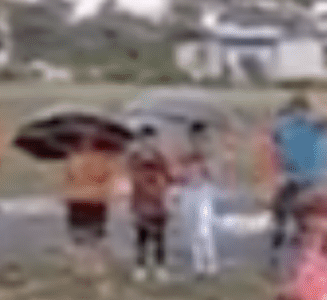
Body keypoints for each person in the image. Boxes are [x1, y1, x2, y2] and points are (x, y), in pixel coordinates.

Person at [269, 94, 327, 270]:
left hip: (310, 180)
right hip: (291, 178)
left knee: (306, 219)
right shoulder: (285, 127)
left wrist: (314, 108)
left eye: (303, 111)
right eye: (296, 111)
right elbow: (275, 137)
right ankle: (277, 254)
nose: (299, 114)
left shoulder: (315, 125)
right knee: (280, 214)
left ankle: (306, 257)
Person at [64, 135, 121, 280]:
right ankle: (95, 267)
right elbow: (111, 180)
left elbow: (66, 180)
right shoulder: (104, 160)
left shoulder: (74, 159)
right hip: (93, 200)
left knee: (81, 236)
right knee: (94, 235)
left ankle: (83, 267)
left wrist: (65, 195)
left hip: (80, 200)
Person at [127, 126, 173, 282]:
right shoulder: (135, 158)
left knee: (159, 237)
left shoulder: (160, 158)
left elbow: (168, 178)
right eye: (146, 140)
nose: (149, 143)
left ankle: (160, 266)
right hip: (141, 202)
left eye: (152, 140)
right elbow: (132, 178)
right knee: (142, 237)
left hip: (158, 203)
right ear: (141, 141)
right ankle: (140, 266)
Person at [179, 121, 219, 278]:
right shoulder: (185, 156)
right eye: (195, 138)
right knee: (192, 230)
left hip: (204, 192)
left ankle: (211, 263)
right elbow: (180, 176)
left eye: (202, 138)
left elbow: (215, 176)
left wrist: (206, 164)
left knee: (204, 229)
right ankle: (199, 266)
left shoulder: (209, 156)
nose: (198, 142)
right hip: (189, 193)